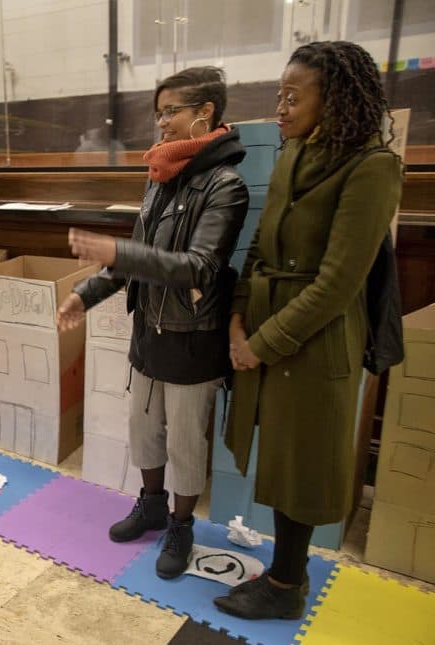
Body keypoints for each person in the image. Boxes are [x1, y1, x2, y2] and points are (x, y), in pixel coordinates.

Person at [214, 41, 404, 620]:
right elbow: (260, 250)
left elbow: (338, 284)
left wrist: (259, 344)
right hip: (269, 323)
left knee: (301, 462)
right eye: (279, 95)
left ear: (337, 98)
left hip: (317, 341)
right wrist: (237, 318)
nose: (281, 107)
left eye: (294, 96)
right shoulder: (294, 152)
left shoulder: (372, 167)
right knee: (280, 455)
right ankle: (282, 575)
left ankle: (287, 586)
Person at [57, 67, 249, 579]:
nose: (161, 122)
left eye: (172, 111)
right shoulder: (160, 175)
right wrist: (87, 294)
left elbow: (199, 267)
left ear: (205, 113)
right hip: (149, 332)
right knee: (144, 431)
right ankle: (151, 504)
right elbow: (137, 259)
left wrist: (122, 250)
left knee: (186, 442)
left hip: (193, 338)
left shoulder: (226, 185)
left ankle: (181, 526)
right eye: (159, 112)